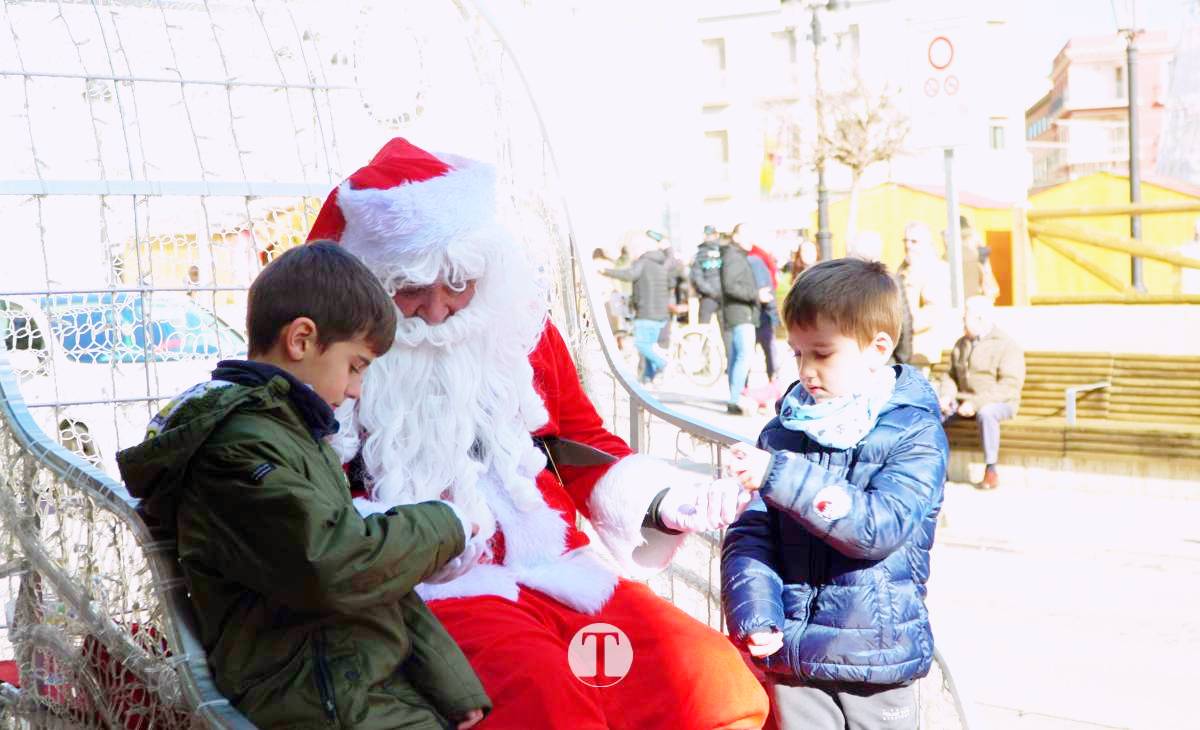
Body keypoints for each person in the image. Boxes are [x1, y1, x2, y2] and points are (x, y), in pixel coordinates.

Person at [304, 138, 769, 729]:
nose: (440, 310)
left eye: (458, 282)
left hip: (555, 569)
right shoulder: (336, 356)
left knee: (709, 681)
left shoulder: (516, 329)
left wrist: (665, 500)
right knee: (547, 701)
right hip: (432, 589)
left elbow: (581, 439)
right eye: (412, 288)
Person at [116, 243, 491, 729]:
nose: (356, 389)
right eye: (355, 366)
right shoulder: (239, 450)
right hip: (318, 700)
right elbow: (335, 565)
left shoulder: (289, 435)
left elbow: (375, 582)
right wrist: (447, 523)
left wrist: (451, 684)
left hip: (346, 684)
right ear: (301, 340)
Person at [722, 257, 949, 730]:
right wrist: (757, 611)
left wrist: (780, 476)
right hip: (795, 656)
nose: (806, 370)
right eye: (798, 353)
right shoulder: (785, 431)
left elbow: (877, 527)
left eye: (822, 353)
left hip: (877, 660)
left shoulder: (914, 431)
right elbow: (750, 533)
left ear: (876, 348)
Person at [937, 295, 1026, 490]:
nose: (962, 321)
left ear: (979, 319)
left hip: (1000, 403)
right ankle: (939, 469)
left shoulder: (1006, 345)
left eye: (964, 317)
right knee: (933, 414)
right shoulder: (961, 344)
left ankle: (991, 470)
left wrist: (977, 403)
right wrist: (947, 395)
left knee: (987, 413)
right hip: (964, 401)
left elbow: (1009, 385)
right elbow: (950, 375)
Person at [601, 231, 676, 383]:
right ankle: (647, 378)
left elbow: (630, 275)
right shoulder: (661, 263)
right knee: (648, 346)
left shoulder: (642, 262)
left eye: (634, 249)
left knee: (641, 345)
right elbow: (671, 278)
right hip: (661, 314)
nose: (632, 253)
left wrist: (606, 271)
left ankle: (663, 364)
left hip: (646, 312)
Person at [849, 230, 913, 365]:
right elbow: (903, 322)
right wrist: (902, 360)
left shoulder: (842, 282)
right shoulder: (891, 280)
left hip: (850, 359)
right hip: (884, 358)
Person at [896, 221, 951, 368]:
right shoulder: (904, 268)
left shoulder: (936, 269)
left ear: (927, 244)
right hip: (905, 347)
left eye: (914, 241)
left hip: (924, 351)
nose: (908, 245)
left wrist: (901, 329)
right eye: (905, 241)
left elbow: (933, 312)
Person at [721, 224, 763, 415]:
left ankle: (735, 397)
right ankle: (735, 399)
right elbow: (730, 286)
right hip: (741, 313)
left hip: (739, 312)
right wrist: (756, 295)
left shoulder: (735, 256)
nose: (751, 239)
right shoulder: (734, 257)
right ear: (735, 237)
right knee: (744, 356)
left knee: (738, 356)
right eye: (746, 235)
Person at [691, 224, 724, 325]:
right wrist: (711, 291)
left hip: (722, 294)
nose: (709, 237)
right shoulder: (700, 253)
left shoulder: (724, 250)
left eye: (711, 234)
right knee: (703, 328)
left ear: (716, 235)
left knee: (726, 329)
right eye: (707, 234)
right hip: (708, 295)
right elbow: (697, 277)